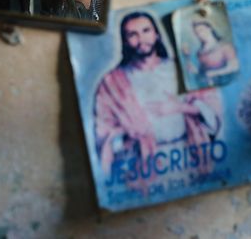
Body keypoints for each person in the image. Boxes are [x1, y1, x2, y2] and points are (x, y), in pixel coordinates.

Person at [93, 12, 222, 178]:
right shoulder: (112, 83)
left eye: (146, 31)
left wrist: (180, 107)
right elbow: (104, 132)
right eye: (133, 35)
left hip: (190, 155)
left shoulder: (184, 69)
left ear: (156, 34)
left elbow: (213, 112)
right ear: (125, 41)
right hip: (142, 166)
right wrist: (128, 130)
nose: (141, 39)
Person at [187, 19, 239, 87]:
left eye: (201, 30)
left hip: (227, 83)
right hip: (209, 86)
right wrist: (195, 71)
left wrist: (215, 73)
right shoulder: (200, 52)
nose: (200, 34)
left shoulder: (225, 46)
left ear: (209, 28)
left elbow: (234, 66)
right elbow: (204, 72)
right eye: (197, 33)